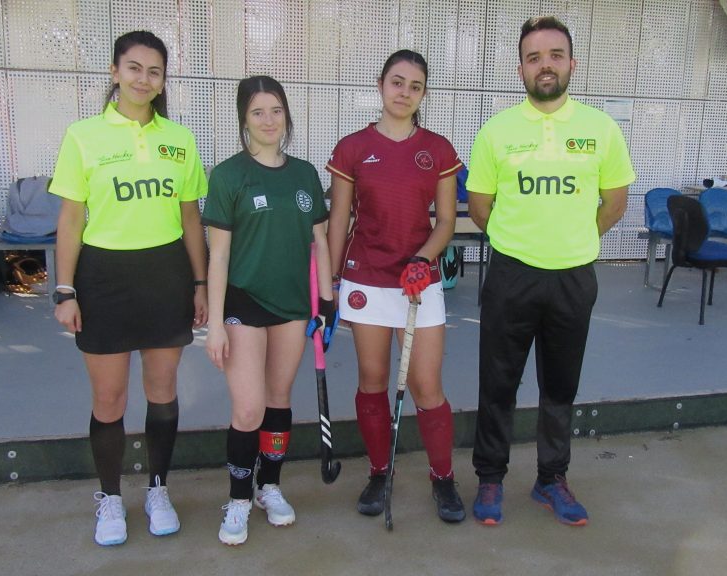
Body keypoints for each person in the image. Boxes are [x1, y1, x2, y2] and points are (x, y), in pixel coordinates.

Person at [467, 16, 636, 527]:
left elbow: (615, 203)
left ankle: (550, 479)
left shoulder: (600, 128)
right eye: (535, 57)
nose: (546, 65)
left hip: (572, 277)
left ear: (572, 63)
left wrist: (571, 239)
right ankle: (491, 478)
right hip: (511, 275)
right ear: (521, 68)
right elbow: (480, 207)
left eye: (555, 55)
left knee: (560, 385)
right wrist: (525, 240)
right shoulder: (497, 130)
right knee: (498, 382)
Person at [50, 30, 208, 546]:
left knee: (162, 392)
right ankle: (111, 498)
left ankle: (158, 489)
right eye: (134, 68)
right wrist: (65, 290)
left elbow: (191, 219)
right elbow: (72, 218)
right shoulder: (83, 135)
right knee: (110, 398)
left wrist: (201, 283)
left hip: (166, 275)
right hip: (104, 278)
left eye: (155, 71)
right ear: (115, 72)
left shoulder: (180, 139)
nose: (144, 79)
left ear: (164, 80)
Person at [327, 50, 466, 523]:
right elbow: (340, 219)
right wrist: (331, 281)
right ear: (381, 85)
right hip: (365, 277)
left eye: (415, 86)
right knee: (373, 380)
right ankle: (379, 470)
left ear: (422, 94)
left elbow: (446, 221)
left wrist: (421, 262)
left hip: (417, 280)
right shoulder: (351, 148)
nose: (404, 92)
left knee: (427, 384)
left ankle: (442, 478)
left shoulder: (439, 149)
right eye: (397, 82)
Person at [203, 75, 333, 546]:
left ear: (287, 115)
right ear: (243, 119)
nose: (269, 120)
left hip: (293, 306)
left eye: (276, 110)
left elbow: (319, 241)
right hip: (243, 301)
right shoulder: (228, 176)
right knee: (249, 406)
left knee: (278, 400)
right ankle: (238, 498)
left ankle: (269, 487)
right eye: (258, 112)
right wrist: (215, 324)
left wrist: (328, 301)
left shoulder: (304, 174)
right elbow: (217, 255)